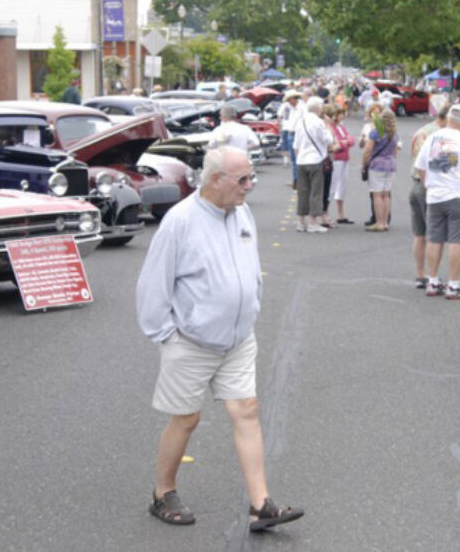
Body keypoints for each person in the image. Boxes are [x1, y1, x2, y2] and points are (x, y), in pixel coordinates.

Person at [136, 147, 303, 532]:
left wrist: (251, 308)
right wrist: (167, 335)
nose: (251, 185)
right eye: (242, 179)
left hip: (238, 339)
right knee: (186, 419)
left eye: (251, 177)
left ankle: (261, 505)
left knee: (246, 409)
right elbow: (153, 284)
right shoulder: (180, 221)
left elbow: (248, 267)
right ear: (215, 180)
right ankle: (163, 492)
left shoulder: (241, 213)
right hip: (191, 341)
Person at [414, 105, 460, 300]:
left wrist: (429, 184)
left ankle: (433, 281)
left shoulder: (433, 138)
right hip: (459, 195)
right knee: (456, 240)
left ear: (448, 118)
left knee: (434, 239)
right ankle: (453, 285)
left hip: (435, 195)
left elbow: (420, 166)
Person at [410, 105, 448, 288]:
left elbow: (415, 157)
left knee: (419, 234)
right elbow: (440, 164)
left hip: (416, 183)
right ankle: (433, 277)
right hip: (430, 185)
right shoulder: (441, 136)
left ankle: (420, 275)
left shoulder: (421, 131)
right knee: (435, 234)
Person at [292, 97, 337, 232]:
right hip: (315, 159)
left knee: (303, 191)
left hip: (301, 160)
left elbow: (296, 145)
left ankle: (300, 222)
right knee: (316, 192)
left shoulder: (301, 122)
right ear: (318, 108)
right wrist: (328, 125)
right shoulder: (318, 122)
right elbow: (329, 140)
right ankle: (313, 223)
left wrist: (298, 159)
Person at [361, 109, 399, 232]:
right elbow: (395, 152)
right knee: (386, 194)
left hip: (377, 165)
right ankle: (386, 222)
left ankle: (379, 222)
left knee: (377, 194)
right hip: (390, 164)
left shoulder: (376, 133)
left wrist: (363, 164)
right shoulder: (394, 134)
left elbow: (368, 150)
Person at [326, 106, 354, 225]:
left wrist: (345, 142)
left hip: (345, 158)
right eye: (339, 114)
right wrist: (345, 142)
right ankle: (325, 213)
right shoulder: (330, 128)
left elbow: (351, 140)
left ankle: (340, 213)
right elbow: (335, 144)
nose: (342, 116)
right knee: (332, 187)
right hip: (336, 159)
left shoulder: (341, 126)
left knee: (342, 186)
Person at [278, 90, 301, 181]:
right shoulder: (286, 107)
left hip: (298, 133)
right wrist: (280, 126)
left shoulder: (301, 107)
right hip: (289, 131)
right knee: (293, 157)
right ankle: (295, 179)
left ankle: (298, 179)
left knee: (298, 158)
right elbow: (279, 116)